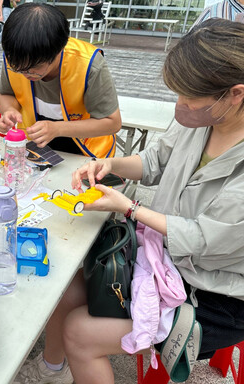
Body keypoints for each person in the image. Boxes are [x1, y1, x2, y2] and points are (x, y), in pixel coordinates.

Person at [15, 18, 244, 384]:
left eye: (189, 98)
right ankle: (52, 369)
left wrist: (129, 208)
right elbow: (153, 162)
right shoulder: (204, 119)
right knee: (69, 286)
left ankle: (69, 359)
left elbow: (203, 240)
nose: (180, 106)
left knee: (78, 332)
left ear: (235, 93)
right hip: (163, 256)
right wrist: (108, 164)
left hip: (213, 294)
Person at [0, 3, 121, 159]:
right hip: (35, 145)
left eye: (34, 68)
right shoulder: (16, 57)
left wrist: (57, 129)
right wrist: (9, 110)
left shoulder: (89, 64)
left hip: (86, 150)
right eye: (18, 69)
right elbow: (4, 93)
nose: (25, 74)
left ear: (59, 50)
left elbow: (112, 122)